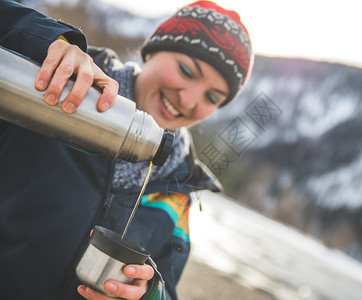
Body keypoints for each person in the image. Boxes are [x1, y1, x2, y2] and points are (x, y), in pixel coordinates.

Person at [0, 1, 253, 299]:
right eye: (186, 71)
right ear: (151, 49)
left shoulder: (179, 188)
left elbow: (166, 287)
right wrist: (47, 39)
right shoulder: (68, 84)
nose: (189, 100)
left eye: (212, 97)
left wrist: (146, 293)